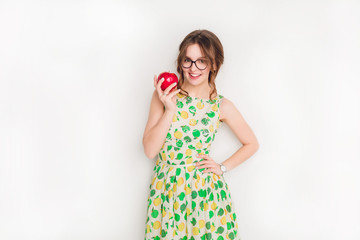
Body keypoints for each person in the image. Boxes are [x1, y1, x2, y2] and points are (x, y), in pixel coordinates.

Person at [142, 29, 259, 240]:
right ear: (180, 62)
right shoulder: (164, 95)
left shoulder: (221, 105)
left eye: (201, 61)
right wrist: (170, 109)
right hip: (166, 190)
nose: (193, 68)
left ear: (214, 64)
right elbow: (150, 150)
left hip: (204, 193)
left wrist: (222, 167)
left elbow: (251, 143)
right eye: (188, 60)